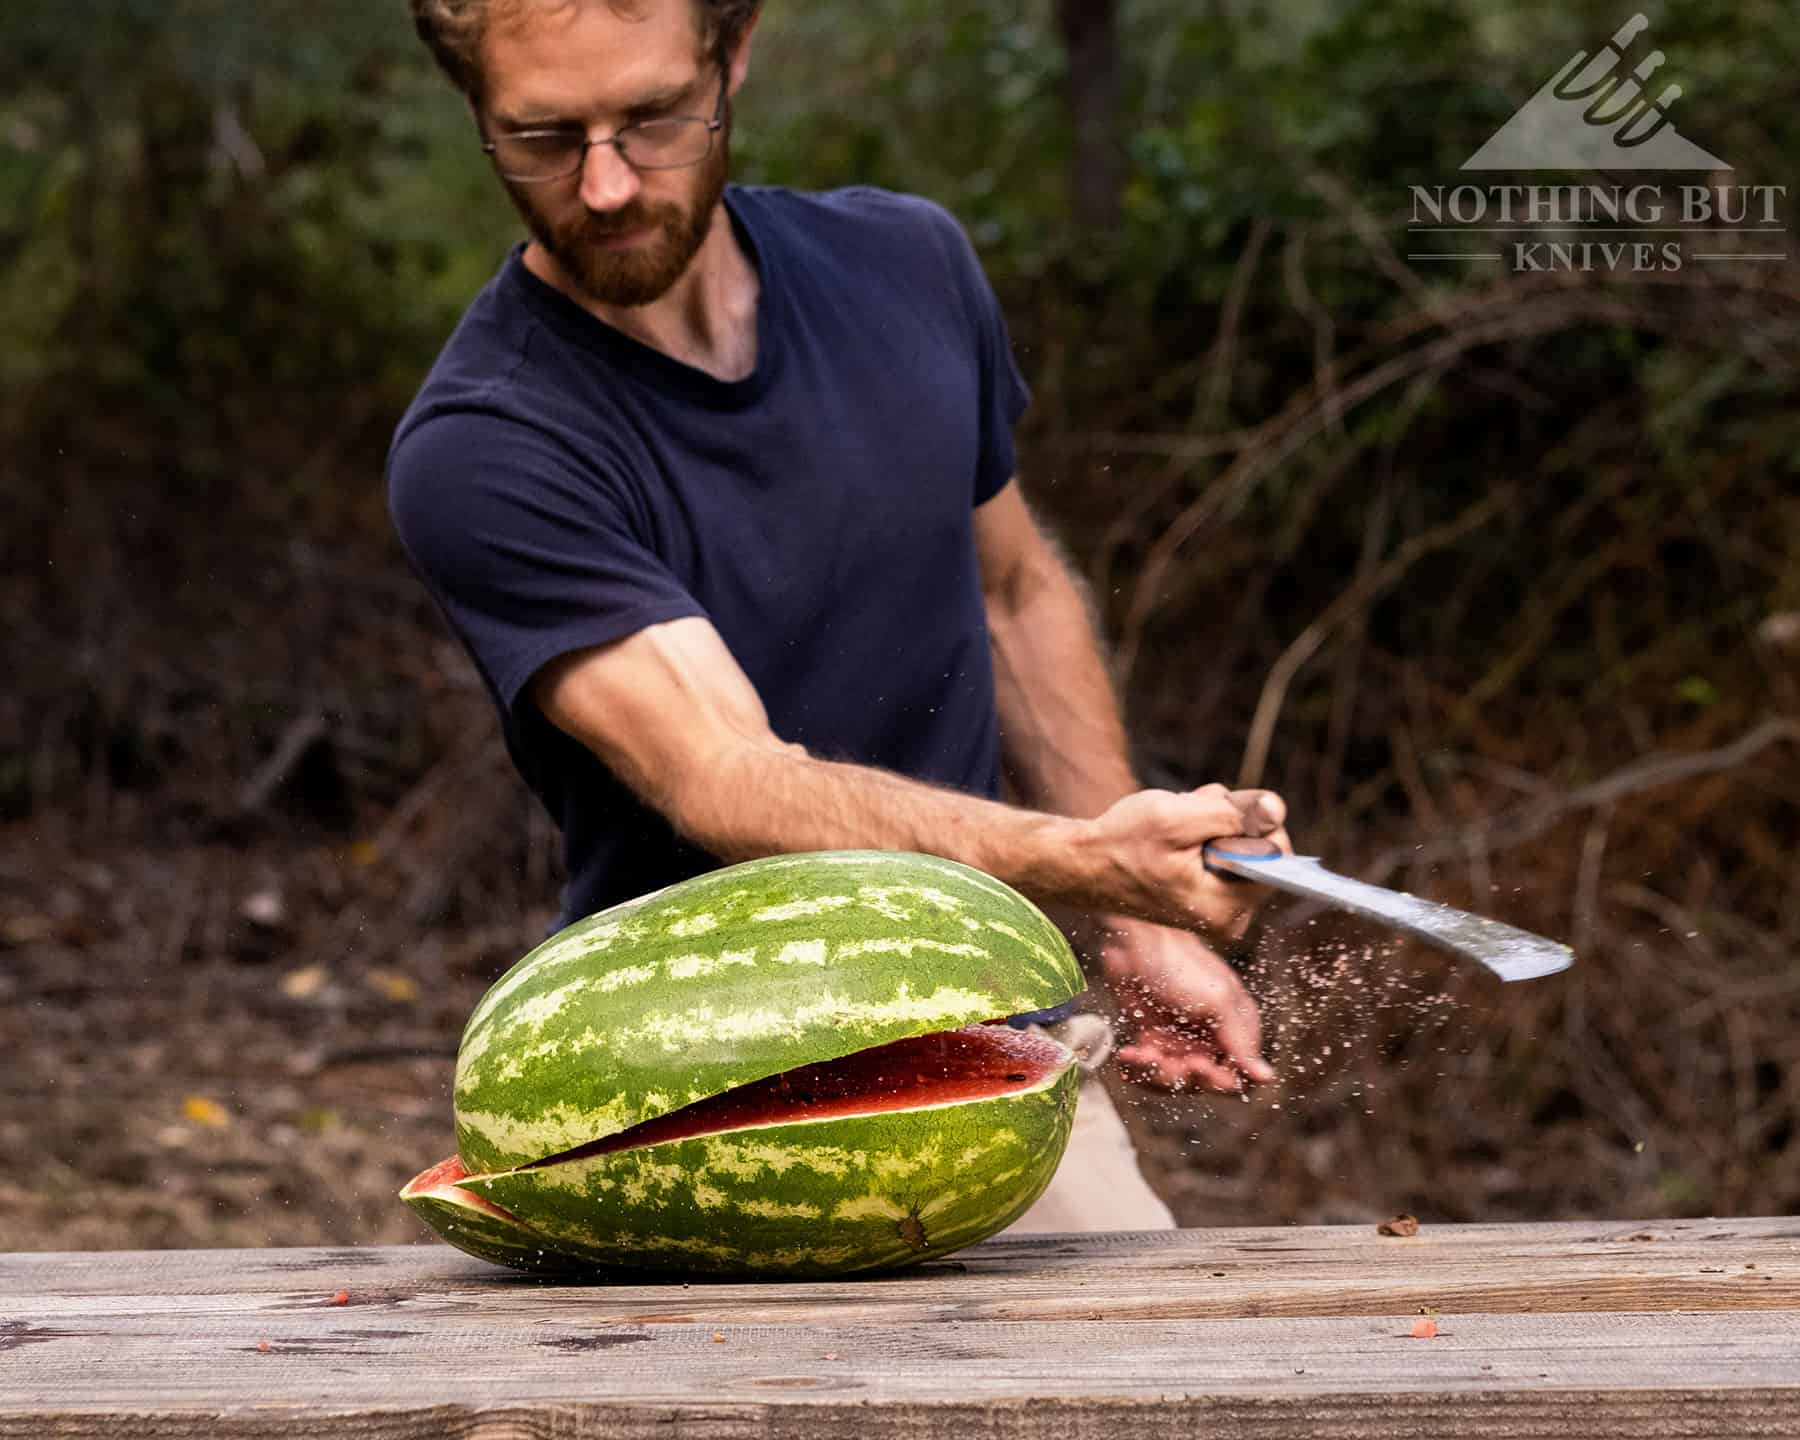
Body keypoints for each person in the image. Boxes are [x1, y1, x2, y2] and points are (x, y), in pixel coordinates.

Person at [389, 0, 1293, 1232]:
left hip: (994, 1064)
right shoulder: (488, 443)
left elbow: (1013, 593)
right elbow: (725, 775)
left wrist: (1129, 914)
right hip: (681, 1101)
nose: (603, 186)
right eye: (543, 136)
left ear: (736, 53)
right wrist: (1082, 861)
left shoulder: (909, 268)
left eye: (652, 119)